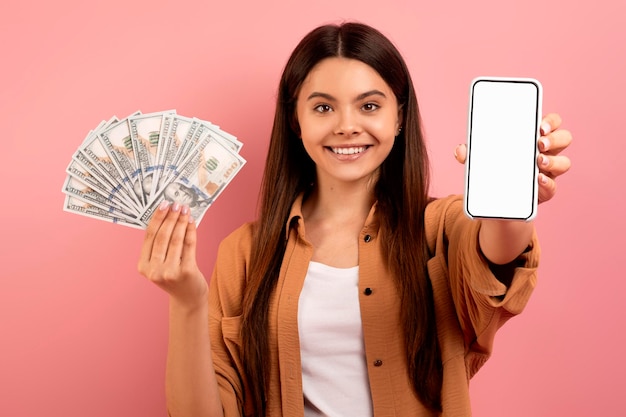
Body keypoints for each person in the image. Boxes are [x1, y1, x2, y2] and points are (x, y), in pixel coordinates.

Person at [137, 22, 572, 417]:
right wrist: (188, 301)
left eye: (369, 106)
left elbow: (498, 251)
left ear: (399, 116)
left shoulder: (439, 226)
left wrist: (512, 199)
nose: (347, 126)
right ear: (296, 120)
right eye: (323, 108)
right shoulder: (244, 253)